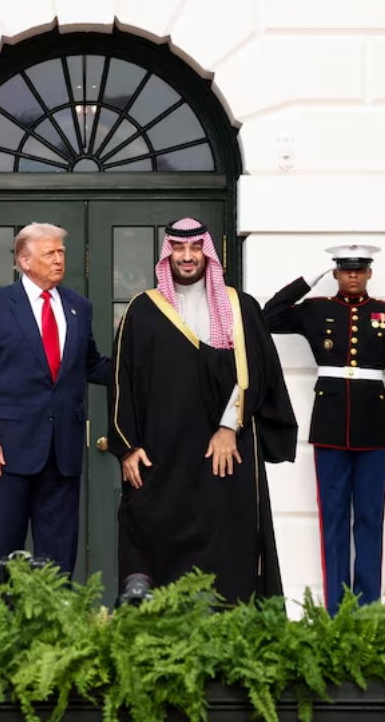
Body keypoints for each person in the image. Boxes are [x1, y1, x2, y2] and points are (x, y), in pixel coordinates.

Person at [108, 217, 298, 604]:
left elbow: (257, 373)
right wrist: (127, 446)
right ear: (168, 255)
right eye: (179, 249)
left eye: (195, 248)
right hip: (163, 453)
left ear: (208, 254)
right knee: (152, 534)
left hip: (224, 453)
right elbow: (120, 381)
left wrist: (229, 427)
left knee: (229, 541)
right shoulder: (142, 311)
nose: (188, 257)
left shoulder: (240, 307)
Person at [262, 245, 385, 615]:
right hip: (330, 429)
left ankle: (368, 609)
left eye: (360, 270)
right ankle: (336, 611)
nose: (353, 276)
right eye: (346, 270)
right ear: (335, 274)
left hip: (374, 432)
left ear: (369, 274)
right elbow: (268, 317)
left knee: (369, 521)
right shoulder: (317, 310)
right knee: (332, 521)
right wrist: (304, 281)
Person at [0, 223, 110, 585]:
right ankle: (1, 625)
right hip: (8, 450)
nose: (59, 260)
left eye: (61, 252)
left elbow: (90, 364)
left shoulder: (79, 306)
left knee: (59, 551)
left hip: (62, 449)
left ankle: (55, 624)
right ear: (24, 261)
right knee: (5, 549)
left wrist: (138, 361)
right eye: (50, 253)